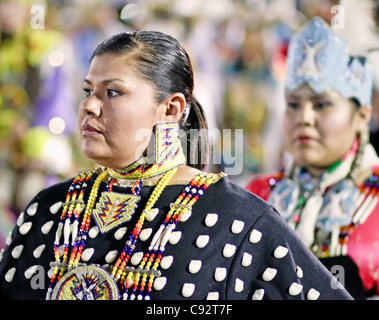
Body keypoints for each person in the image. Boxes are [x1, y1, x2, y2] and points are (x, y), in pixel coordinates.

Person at [0, 30, 351, 300]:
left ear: (170, 109)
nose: (90, 106)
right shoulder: (50, 209)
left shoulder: (237, 220)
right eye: (87, 90)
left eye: (112, 92)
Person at [246, 17, 378, 299]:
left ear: (362, 116)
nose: (303, 119)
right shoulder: (257, 194)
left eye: (322, 105)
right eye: (293, 104)